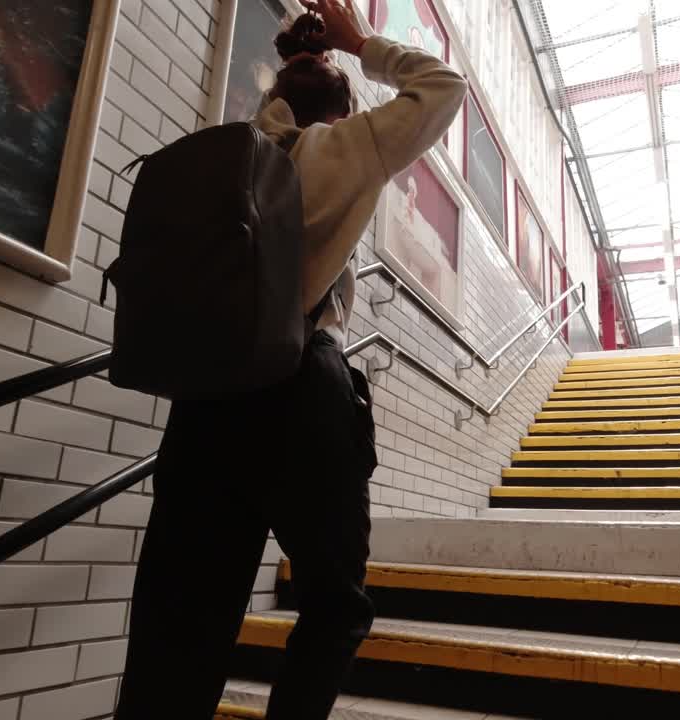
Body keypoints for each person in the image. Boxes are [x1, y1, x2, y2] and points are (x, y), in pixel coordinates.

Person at [114, 1, 466, 718]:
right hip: (299, 394)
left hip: (205, 406)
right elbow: (443, 89)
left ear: (274, 96)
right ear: (338, 113)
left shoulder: (233, 152)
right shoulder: (346, 149)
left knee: (181, 617)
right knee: (335, 604)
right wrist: (362, 42)